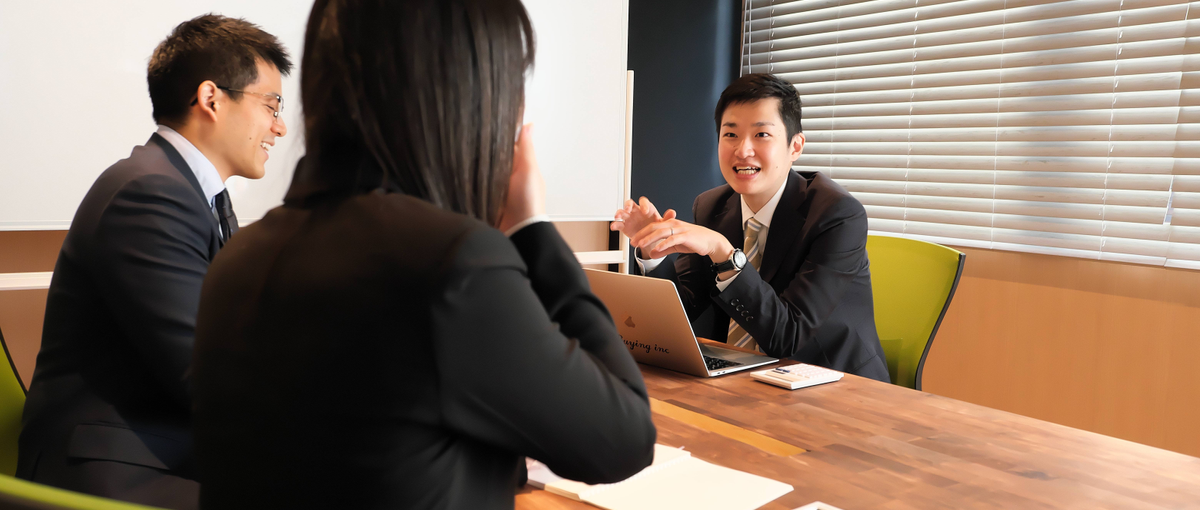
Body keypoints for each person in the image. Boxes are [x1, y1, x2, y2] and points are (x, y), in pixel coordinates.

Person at [190, 0, 657, 508]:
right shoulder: (449, 264)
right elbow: (624, 438)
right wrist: (532, 227)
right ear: (471, 96)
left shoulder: (242, 257)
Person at [17, 14, 291, 509]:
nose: (280, 125)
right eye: (271, 104)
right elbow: (204, 372)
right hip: (117, 472)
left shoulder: (187, 192)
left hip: (164, 455)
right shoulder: (151, 193)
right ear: (211, 98)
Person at [612, 73, 890, 382]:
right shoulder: (711, 207)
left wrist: (724, 254)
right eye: (730, 134)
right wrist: (654, 252)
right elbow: (684, 310)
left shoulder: (838, 215)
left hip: (835, 384)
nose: (743, 150)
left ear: (795, 146)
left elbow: (788, 337)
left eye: (761, 134)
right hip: (745, 378)